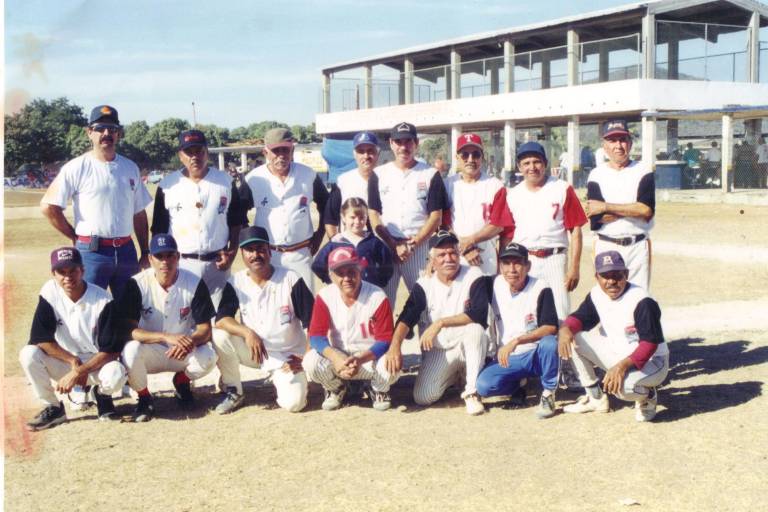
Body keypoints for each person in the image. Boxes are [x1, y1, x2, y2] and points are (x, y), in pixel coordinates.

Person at [41, 105, 151, 298]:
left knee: (128, 309)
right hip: (92, 252)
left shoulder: (130, 167)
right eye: (100, 128)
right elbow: (49, 207)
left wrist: (144, 251)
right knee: (89, 307)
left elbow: (139, 212)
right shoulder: (76, 167)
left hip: (126, 251)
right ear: (89, 132)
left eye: (112, 129)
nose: (106, 133)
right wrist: (74, 236)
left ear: (119, 134)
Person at [20, 247, 128, 430]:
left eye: (73, 270)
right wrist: (72, 361)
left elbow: (111, 351)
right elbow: (40, 338)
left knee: (117, 373)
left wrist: (78, 371)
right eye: (61, 272)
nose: (67, 277)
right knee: (28, 354)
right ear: (53, 274)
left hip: (97, 363)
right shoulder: (49, 292)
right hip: (65, 361)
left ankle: (102, 394)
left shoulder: (103, 299)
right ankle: (53, 407)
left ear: (82, 271)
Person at [212, 226, 314, 414]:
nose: (255, 254)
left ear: (269, 250)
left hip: (288, 355)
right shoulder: (236, 282)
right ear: (242, 253)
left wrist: (305, 357)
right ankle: (234, 390)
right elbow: (221, 319)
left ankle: (283, 381)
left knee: (294, 404)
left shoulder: (290, 278)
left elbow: (314, 323)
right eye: (249, 250)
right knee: (219, 335)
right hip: (255, 351)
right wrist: (247, 333)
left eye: (260, 248)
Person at [558, 251, 669, 422]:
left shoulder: (642, 300)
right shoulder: (597, 294)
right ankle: (595, 398)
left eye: (617, 275)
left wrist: (621, 367)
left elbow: (649, 345)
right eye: (605, 276)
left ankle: (648, 395)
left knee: (623, 388)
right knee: (574, 337)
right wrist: (565, 330)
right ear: (597, 277)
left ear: (626, 274)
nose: (611, 281)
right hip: (620, 355)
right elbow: (579, 318)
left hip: (653, 362)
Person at [386, 231, 489, 415]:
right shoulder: (425, 283)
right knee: (423, 397)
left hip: (467, 345)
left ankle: (472, 392)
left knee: (475, 330)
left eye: (452, 253)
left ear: (458, 254)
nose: (448, 258)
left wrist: (440, 323)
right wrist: (395, 346)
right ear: (432, 261)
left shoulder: (473, 274)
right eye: (441, 255)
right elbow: (407, 316)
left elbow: (479, 314)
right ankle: (455, 377)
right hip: (441, 350)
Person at [118, 234, 217, 422]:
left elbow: (205, 329)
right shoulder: (137, 284)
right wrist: (165, 337)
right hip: (151, 349)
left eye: (170, 255)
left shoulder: (193, 282)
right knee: (130, 351)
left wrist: (190, 342)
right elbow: (130, 331)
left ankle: (182, 383)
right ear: (150, 259)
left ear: (178, 256)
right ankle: (144, 397)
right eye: (159, 256)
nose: (165, 261)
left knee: (208, 357)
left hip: (182, 349)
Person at [151, 130, 246, 308]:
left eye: (199, 151)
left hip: (217, 264)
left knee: (219, 320)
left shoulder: (225, 182)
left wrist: (232, 252)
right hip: (182, 264)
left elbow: (236, 222)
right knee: (184, 317)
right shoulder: (167, 186)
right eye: (189, 152)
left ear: (207, 153)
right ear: (180, 156)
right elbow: (158, 229)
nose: (194, 157)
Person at [303, 246, 399, 411]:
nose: (346, 278)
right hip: (339, 360)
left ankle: (378, 388)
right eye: (340, 273)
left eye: (351, 271)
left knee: (392, 365)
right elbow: (316, 337)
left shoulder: (377, 296)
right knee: (310, 362)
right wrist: (336, 358)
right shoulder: (325, 296)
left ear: (360, 270)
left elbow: (385, 340)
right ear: (331, 275)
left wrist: (360, 359)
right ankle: (336, 387)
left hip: (368, 358)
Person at [368, 122, 449, 306]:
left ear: (416, 143)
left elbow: (436, 216)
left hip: (419, 247)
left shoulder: (430, 174)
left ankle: (426, 336)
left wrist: (413, 244)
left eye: (408, 141)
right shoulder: (379, 174)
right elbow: (373, 214)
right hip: (387, 245)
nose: (403, 147)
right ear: (390, 143)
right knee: (382, 304)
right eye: (398, 142)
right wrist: (392, 243)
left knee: (425, 304)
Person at [475, 242, 559, 419]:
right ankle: (517, 386)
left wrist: (518, 341)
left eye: (517, 263)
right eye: (506, 263)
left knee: (550, 343)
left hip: (535, 355)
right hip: (508, 356)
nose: (511, 269)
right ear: (500, 266)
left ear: (527, 266)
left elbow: (550, 326)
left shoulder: (541, 287)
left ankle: (548, 393)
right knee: (484, 386)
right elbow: (465, 280)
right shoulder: (494, 284)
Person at [505, 142, 587, 320]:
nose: (532, 167)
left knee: (560, 313)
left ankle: (561, 347)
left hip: (555, 258)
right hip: (525, 260)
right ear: (519, 166)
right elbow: (507, 236)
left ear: (545, 164)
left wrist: (574, 268)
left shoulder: (562, 188)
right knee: (527, 313)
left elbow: (576, 230)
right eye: (526, 163)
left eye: (537, 162)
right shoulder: (512, 194)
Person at [245, 128, 329, 292]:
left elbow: (327, 206)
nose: (281, 155)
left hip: (301, 254)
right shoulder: (254, 179)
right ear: (266, 152)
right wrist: (251, 245)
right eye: (276, 151)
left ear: (292, 150)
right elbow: (237, 214)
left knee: (305, 309)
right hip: (268, 256)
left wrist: (319, 235)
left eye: (286, 149)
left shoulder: (308, 175)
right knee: (272, 306)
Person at [586, 120, 655, 290]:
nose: (618, 145)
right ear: (604, 145)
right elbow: (596, 219)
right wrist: (632, 209)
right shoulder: (596, 174)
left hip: (637, 245)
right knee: (609, 296)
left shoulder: (643, 171)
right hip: (606, 243)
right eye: (612, 140)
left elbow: (646, 210)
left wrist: (606, 206)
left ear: (630, 143)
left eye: (622, 139)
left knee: (639, 299)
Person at [444, 133, 513, 276]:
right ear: (457, 158)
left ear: (482, 157)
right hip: (455, 254)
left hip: (485, 256)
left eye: (475, 154)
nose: (470, 159)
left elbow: (498, 224)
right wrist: (465, 247)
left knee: (485, 296)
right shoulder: (448, 185)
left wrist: (470, 241)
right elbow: (443, 224)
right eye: (465, 155)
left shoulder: (495, 185)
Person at [313, 197, 393, 289]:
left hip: (368, 292)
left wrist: (379, 282)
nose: (357, 221)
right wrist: (332, 281)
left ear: (367, 217)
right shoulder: (336, 242)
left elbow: (387, 264)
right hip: (344, 294)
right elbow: (318, 266)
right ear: (343, 217)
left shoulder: (373, 242)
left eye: (361, 217)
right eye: (352, 217)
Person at [323, 131, 380, 238]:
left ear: (378, 153)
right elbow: (330, 218)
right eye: (361, 151)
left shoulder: (387, 179)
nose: (366, 156)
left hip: (381, 245)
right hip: (351, 246)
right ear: (354, 154)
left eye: (370, 151)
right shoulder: (343, 181)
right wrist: (337, 244)